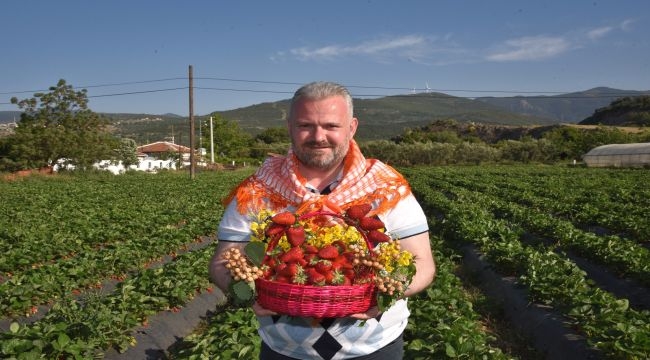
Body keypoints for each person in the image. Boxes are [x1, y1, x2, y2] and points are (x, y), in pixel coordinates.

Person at [210, 81, 436, 360]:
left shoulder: (385, 187)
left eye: (331, 126)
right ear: (290, 126)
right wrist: (245, 293)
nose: (319, 136)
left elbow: (422, 262)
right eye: (306, 125)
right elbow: (223, 260)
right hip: (286, 351)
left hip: (374, 347)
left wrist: (389, 291)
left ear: (351, 127)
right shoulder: (258, 190)